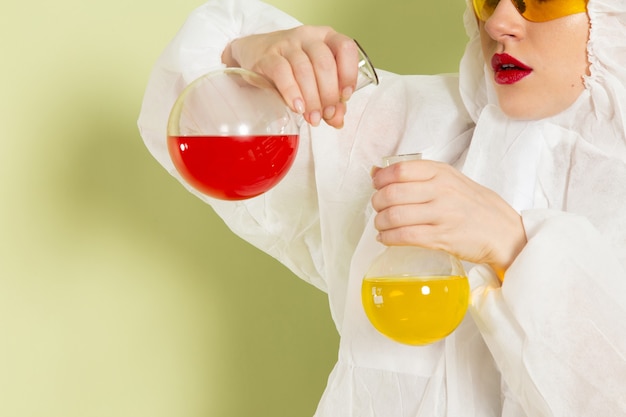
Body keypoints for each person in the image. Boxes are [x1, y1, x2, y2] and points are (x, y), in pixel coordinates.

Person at [137, 0, 626, 415]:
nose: (498, 23)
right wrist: (250, 57)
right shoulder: (416, 128)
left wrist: (515, 245)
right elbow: (192, 123)